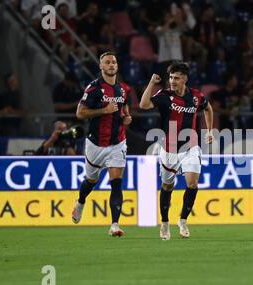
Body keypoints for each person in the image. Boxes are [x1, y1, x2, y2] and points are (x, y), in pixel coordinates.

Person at [139, 61, 214, 240]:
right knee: (167, 186)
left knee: (192, 183)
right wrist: (151, 83)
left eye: (177, 78)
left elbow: (208, 108)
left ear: (185, 79)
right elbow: (143, 105)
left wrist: (210, 130)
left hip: (191, 147)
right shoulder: (164, 95)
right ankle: (164, 223)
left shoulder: (196, 96)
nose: (172, 81)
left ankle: (182, 220)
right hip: (169, 149)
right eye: (171, 77)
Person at [71, 51, 132, 237]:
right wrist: (104, 110)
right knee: (91, 180)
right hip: (96, 143)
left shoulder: (123, 89)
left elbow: (124, 109)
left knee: (116, 183)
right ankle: (81, 201)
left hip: (117, 143)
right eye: (107, 62)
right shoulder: (94, 88)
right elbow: (80, 113)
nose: (111, 64)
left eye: (114, 62)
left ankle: (114, 225)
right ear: (101, 66)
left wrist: (127, 117)